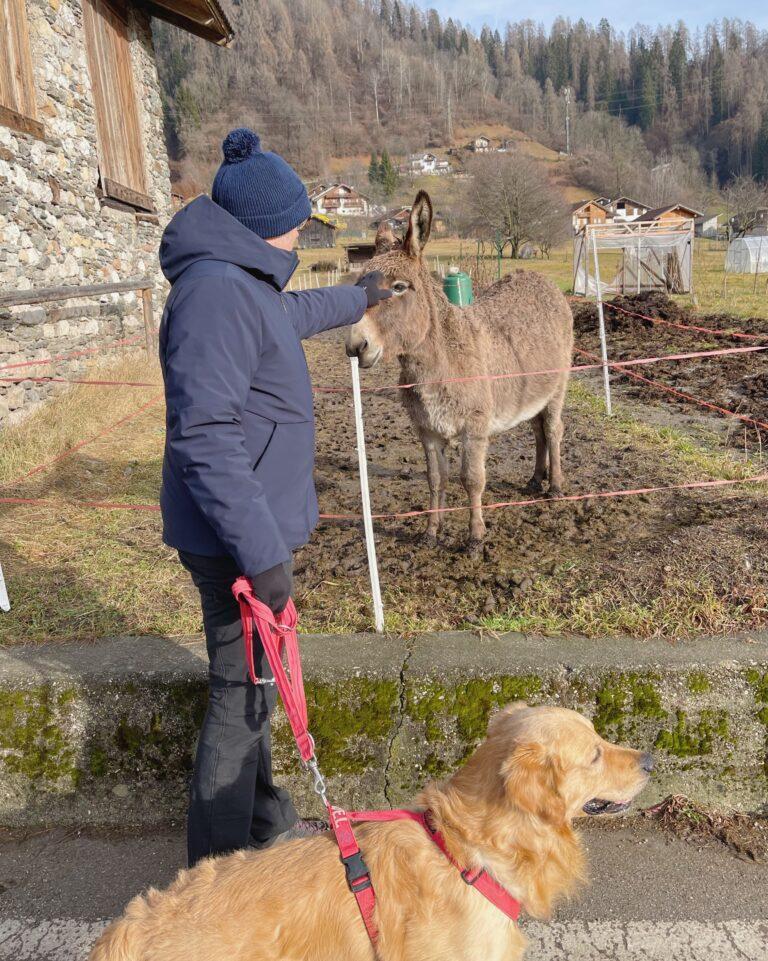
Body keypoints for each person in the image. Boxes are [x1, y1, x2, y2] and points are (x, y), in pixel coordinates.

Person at [158, 128, 392, 867]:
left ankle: (261, 824)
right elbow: (204, 435)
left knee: (254, 685)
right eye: (294, 221)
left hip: (244, 530)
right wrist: (261, 556)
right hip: (234, 540)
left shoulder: (240, 281)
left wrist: (359, 297)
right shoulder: (216, 293)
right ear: (264, 226)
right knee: (241, 697)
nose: (300, 231)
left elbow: (287, 320)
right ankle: (216, 883)